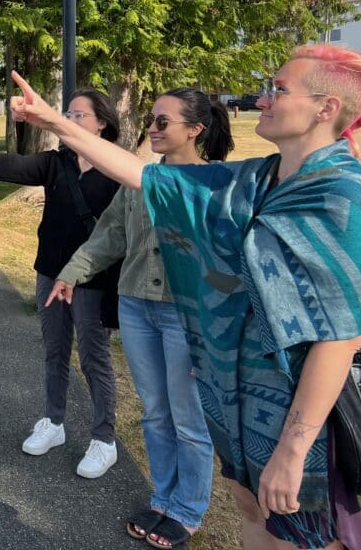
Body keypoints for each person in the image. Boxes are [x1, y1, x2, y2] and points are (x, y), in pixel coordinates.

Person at [10, 45, 361, 550]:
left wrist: (292, 450)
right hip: (235, 395)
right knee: (249, 506)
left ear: (326, 109)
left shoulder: (342, 197)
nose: (262, 100)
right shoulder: (254, 179)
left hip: (295, 411)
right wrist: (55, 123)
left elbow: (340, 336)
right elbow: (141, 176)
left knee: (303, 531)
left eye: (279, 90)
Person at [51, 89, 233, 548]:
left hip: (185, 314)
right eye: (151, 119)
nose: (152, 128)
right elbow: (109, 235)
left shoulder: (216, 184)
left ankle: (188, 511)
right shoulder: (141, 179)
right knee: (154, 413)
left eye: (163, 122)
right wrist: (72, 273)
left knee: (188, 418)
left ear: (195, 129)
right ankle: (163, 499)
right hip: (135, 306)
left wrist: (215, 319)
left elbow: (229, 261)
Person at [0, 89, 123, 478]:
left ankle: (104, 439)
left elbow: (125, 237)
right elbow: (15, 166)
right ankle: (53, 423)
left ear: (102, 122)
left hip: (94, 281)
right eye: (67, 114)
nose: (70, 121)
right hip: (51, 274)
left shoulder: (118, 169)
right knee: (54, 351)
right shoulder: (56, 163)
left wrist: (114, 301)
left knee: (94, 360)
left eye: (79, 116)